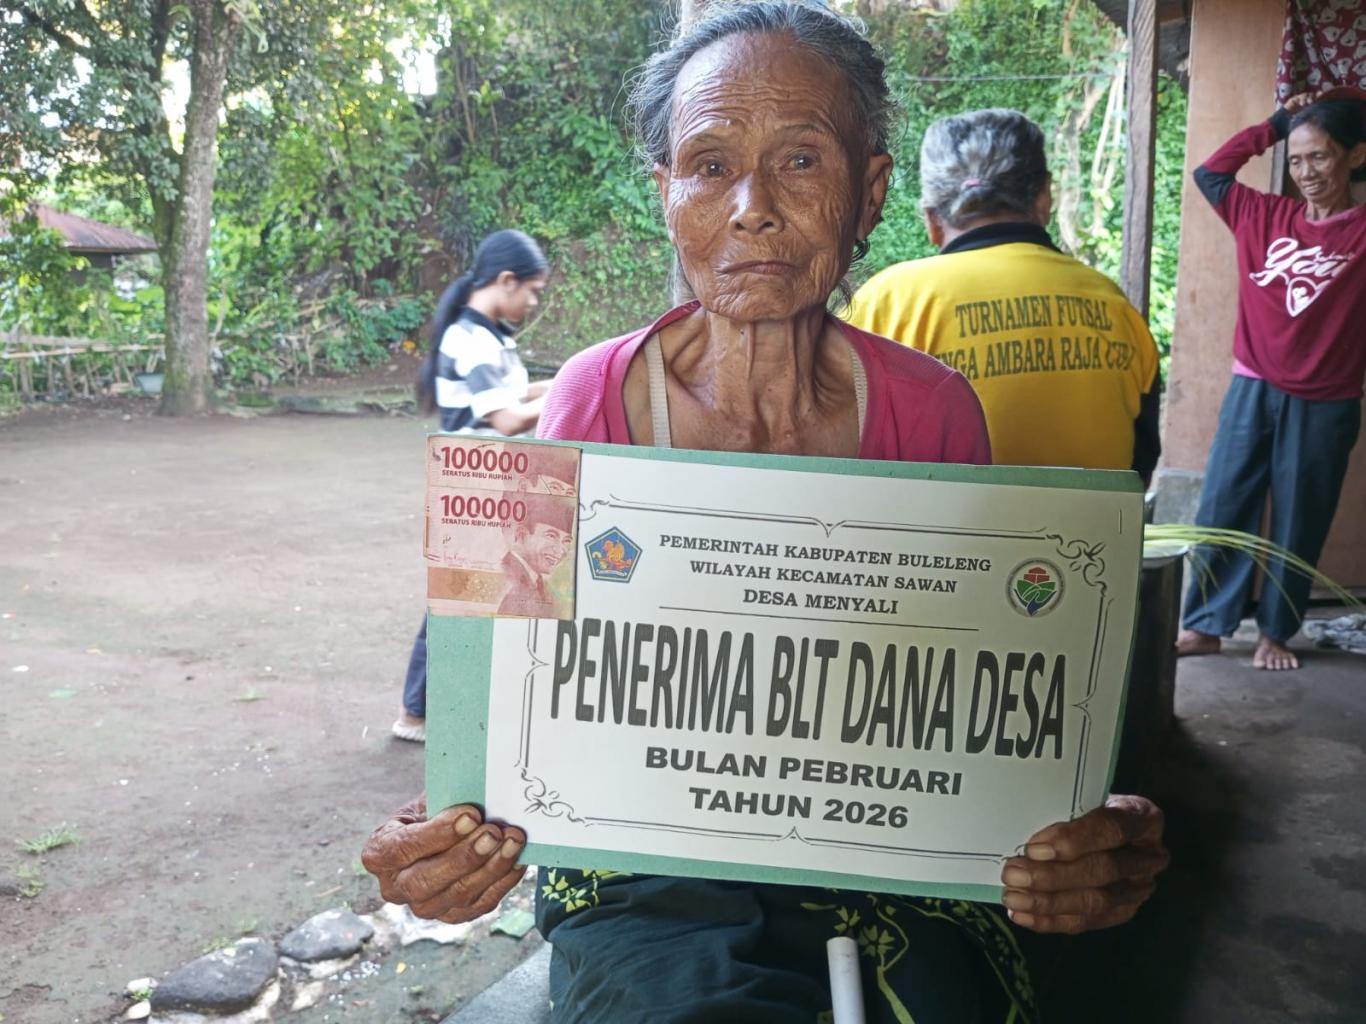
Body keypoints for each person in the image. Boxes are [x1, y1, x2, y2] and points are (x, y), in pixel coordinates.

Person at [363, 5, 1169, 1020]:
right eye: (709, 165)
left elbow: (976, 692)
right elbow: (514, 704)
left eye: (800, 160)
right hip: (643, 866)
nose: (752, 207)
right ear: (666, 194)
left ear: (869, 193)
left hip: (885, 859)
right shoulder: (590, 397)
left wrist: (1076, 818)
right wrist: (445, 827)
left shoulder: (932, 408)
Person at [846, 108, 1161, 483]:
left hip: (944, 522)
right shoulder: (1114, 306)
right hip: (1095, 525)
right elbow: (1140, 464)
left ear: (932, 219)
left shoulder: (887, 302)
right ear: (1044, 196)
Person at [1176, 88, 1366, 672]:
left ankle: (1276, 633)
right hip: (1252, 385)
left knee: (1299, 517)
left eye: (1321, 156)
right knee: (1224, 503)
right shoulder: (1262, 216)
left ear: (1355, 155)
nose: (1307, 172)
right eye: (1298, 159)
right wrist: (1277, 124)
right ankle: (1205, 624)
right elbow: (1211, 173)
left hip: (1327, 400)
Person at [394, 230, 553, 742]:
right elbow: (507, 418)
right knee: (457, 601)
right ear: (506, 280)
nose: (533, 303)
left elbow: (515, 393)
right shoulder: (473, 339)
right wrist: (569, 392)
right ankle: (415, 713)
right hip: (475, 487)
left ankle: (426, 710)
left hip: (490, 485)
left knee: (480, 595)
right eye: (532, 291)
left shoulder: (488, 336)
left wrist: (571, 377)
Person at [495, 493, 574, 618]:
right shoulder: (505, 580)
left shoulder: (541, 585)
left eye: (566, 541)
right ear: (522, 535)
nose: (560, 550)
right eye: (551, 536)